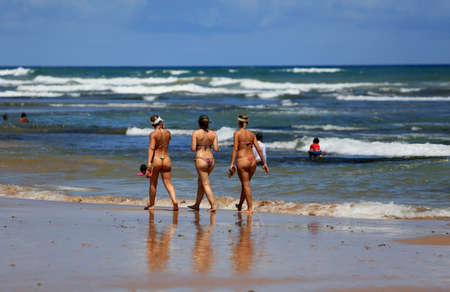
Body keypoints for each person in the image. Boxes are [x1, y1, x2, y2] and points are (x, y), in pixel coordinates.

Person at [229, 114, 268, 215]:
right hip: (252, 161)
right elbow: (258, 149)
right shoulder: (252, 134)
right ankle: (240, 205)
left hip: (243, 160)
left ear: (239, 122)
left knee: (246, 185)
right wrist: (264, 163)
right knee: (245, 185)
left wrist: (231, 163)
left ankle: (250, 209)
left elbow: (235, 149)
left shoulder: (237, 133)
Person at [145, 115, 178, 211]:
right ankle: (175, 201)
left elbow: (151, 148)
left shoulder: (153, 134)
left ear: (152, 123)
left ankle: (151, 205)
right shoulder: (168, 133)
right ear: (161, 122)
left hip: (156, 159)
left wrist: (149, 163)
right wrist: (163, 129)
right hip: (166, 159)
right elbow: (168, 139)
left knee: (153, 183)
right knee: (168, 183)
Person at [188, 115, 219, 213]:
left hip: (201, 158)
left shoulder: (196, 133)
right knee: (201, 182)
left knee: (205, 183)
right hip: (211, 159)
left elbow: (193, 149)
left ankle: (213, 205)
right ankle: (197, 204)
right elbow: (216, 149)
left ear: (199, 124)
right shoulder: (213, 134)